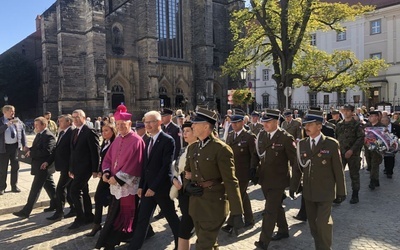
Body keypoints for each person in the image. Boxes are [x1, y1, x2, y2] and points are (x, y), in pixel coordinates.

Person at [184, 107, 244, 250]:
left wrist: (237, 212)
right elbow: (187, 172)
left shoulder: (221, 149)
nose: (192, 126)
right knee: (209, 243)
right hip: (196, 205)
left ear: (206, 126)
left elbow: (231, 181)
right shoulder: (193, 148)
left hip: (213, 206)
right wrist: (187, 185)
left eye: (195, 123)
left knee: (203, 246)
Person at [290, 109, 346, 250]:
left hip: (325, 191)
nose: (306, 127)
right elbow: (297, 168)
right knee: (313, 226)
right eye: (305, 124)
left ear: (320, 126)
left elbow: (338, 170)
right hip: (309, 192)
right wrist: (293, 187)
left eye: (310, 124)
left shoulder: (331, 144)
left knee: (323, 223)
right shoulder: (302, 144)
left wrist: (341, 191)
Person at [128, 110, 180, 250]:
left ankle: (180, 245)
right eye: (146, 122)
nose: (147, 125)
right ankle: (134, 246)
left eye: (150, 122)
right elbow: (145, 166)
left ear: (159, 122)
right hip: (147, 188)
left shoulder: (168, 140)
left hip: (161, 188)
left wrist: (154, 188)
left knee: (172, 218)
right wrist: (141, 186)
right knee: (142, 219)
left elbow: (166, 167)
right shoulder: (148, 140)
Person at [95, 105, 144, 249]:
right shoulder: (117, 139)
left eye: (123, 124)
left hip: (127, 184)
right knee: (118, 213)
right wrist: (106, 172)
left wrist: (118, 178)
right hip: (114, 182)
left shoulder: (137, 141)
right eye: (118, 124)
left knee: (122, 214)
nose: (120, 127)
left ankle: (111, 241)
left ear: (130, 124)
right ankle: (140, 233)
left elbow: (135, 163)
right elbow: (108, 159)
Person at [252, 109, 296, 250]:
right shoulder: (262, 135)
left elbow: (294, 161)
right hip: (264, 178)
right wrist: (252, 169)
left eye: (268, 121)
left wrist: (296, 182)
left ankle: (263, 241)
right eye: (263, 121)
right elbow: (255, 154)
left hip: (278, 180)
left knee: (269, 210)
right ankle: (283, 230)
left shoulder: (285, 138)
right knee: (275, 206)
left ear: (276, 121)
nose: (265, 124)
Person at [13, 117, 56, 218]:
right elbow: (38, 148)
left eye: (37, 125)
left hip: (43, 166)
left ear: (44, 125)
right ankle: (56, 204)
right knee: (50, 186)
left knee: (35, 189)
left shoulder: (49, 136)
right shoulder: (40, 134)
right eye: (35, 124)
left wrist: (31, 153)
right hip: (39, 165)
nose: (35, 127)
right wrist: (29, 149)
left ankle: (26, 211)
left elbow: (47, 151)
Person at [221, 114, 257, 234]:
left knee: (237, 197)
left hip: (243, 172)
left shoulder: (249, 136)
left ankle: (232, 223)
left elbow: (253, 154)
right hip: (232, 172)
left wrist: (253, 169)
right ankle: (249, 219)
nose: (234, 125)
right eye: (232, 123)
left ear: (242, 123)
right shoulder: (230, 135)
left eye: (236, 122)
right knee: (243, 195)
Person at [68, 109, 100, 229]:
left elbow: (95, 151)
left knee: (74, 191)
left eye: (77, 117)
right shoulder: (75, 131)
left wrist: (95, 169)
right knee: (84, 192)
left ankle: (80, 218)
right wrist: (71, 168)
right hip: (76, 167)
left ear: (84, 117)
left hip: (86, 168)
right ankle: (88, 215)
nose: (75, 120)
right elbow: (72, 152)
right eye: (73, 117)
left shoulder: (89, 131)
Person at [87, 123, 117, 237]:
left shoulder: (115, 143)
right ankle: (97, 223)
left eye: (106, 131)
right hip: (105, 174)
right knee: (99, 197)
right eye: (102, 131)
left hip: (112, 176)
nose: (103, 133)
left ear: (112, 131)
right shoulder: (105, 142)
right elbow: (103, 159)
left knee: (108, 200)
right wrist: (100, 170)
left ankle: (108, 224)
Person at [170, 121, 196, 250]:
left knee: (185, 228)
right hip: (182, 193)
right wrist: (174, 179)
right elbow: (176, 169)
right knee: (185, 229)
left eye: (188, 131)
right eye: (183, 131)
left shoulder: (199, 150)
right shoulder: (184, 149)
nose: (184, 134)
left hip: (194, 194)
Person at [45, 114, 75, 220]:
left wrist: (71, 168)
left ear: (68, 122)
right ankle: (74, 208)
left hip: (68, 167)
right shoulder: (62, 132)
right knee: (69, 189)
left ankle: (59, 212)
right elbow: (57, 150)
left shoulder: (71, 132)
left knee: (60, 190)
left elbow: (72, 152)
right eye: (59, 121)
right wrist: (48, 162)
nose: (59, 123)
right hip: (63, 166)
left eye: (61, 121)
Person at [335, 104, 364, 204]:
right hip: (341, 154)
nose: (346, 112)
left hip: (353, 154)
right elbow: (336, 138)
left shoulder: (357, 124)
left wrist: (352, 150)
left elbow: (360, 138)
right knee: (338, 174)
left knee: (354, 175)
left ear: (352, 112)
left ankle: (355, 195)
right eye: (344, 110)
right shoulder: (339, 124)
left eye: (348, 111)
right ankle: (339, 195)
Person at [0, 105, 28, 195]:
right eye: (11, 111)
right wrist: (7, 125)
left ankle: (14, 185)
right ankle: (1, 187)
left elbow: (23, 133)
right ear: (5, 112)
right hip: (4, 148)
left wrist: (25, 145)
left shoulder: (17, 120)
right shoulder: (1, 121)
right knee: (2, 168)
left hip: (16, 147)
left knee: (15, 167)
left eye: (14, 111)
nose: (13, 113)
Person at [364, 111, 384, 190]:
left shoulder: (381, 126)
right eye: (369, 116)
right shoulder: (366, 126)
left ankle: (372, 181)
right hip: (367, 148)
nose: (370, 118)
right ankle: (376, 179)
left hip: (377, 149)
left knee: (375, 164)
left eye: (372, 116)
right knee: (370, 164)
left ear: (376, 117)